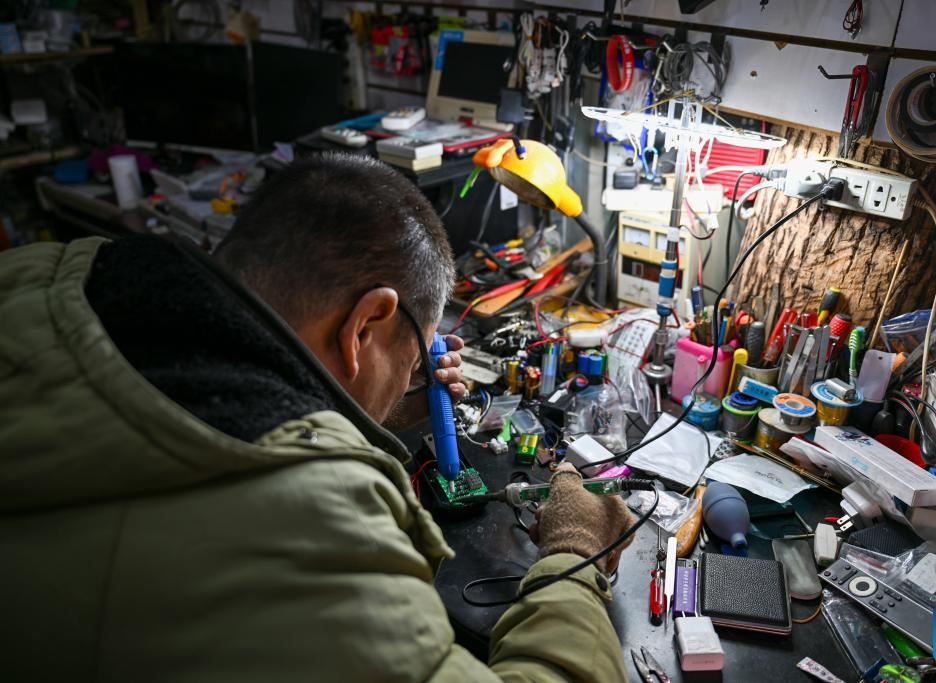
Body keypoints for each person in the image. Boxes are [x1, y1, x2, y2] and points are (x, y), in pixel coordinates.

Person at [0, 153, 636, 682]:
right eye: (414, 350)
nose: (419, 370)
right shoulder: (311, 519)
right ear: (365, 325)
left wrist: (378, 401)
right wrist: (574, 557)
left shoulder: (39, 279)